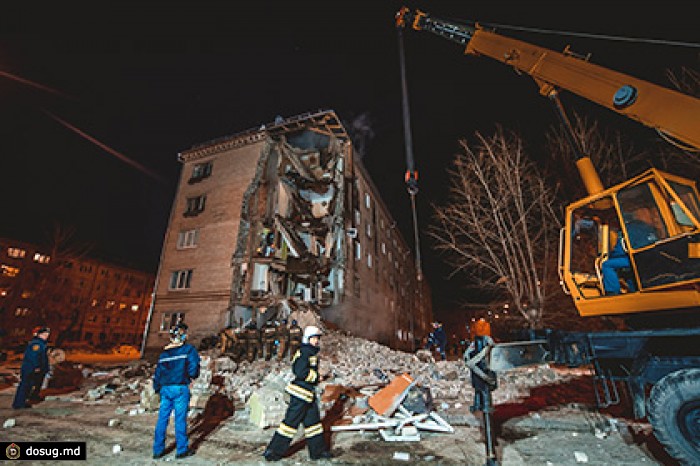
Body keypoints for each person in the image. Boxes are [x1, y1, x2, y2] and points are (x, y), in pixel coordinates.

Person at [263, 326, 333, 461]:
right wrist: (316, 377)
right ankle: (273, 452)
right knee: (289, 424)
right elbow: (300, 372)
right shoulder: (305, 352)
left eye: (318, 338)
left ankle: (317, 452)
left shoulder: (310, 352)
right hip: (300, 395)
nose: (317, 341)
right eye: (314, 338)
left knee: (313, 425)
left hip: (308, 395)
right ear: (308, 339)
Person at [152, 323, 200, 460]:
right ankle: (182, 450)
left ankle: (157, 450)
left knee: (162, 418)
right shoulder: (188, 350)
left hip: (165, 389)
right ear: (183, 335)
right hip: (180, 387)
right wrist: (192, 376)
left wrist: (157, 388)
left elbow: (158, 373)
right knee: (180, 419)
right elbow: (193, 367)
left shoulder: (164, 354)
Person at [602, 212, 657, 295]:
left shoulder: (626, 230)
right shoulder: (645, 227)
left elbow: (621, 249)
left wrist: (611, 256)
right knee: (629, 271)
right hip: (652, 256)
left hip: (638, 258)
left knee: (607, 265)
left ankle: (612, 292)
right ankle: (633, 290)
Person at [12, 326, 51, 409]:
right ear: (39, 335)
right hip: (30, 369)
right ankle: (19, 404)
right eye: (44, 334)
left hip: (33, 369)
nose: (46, 336)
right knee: (25, 386)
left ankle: (22, 402)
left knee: (29, 386)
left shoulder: (41, 344)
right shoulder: (36, 344)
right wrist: (36, 367)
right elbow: (33, 357)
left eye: (47, 334)